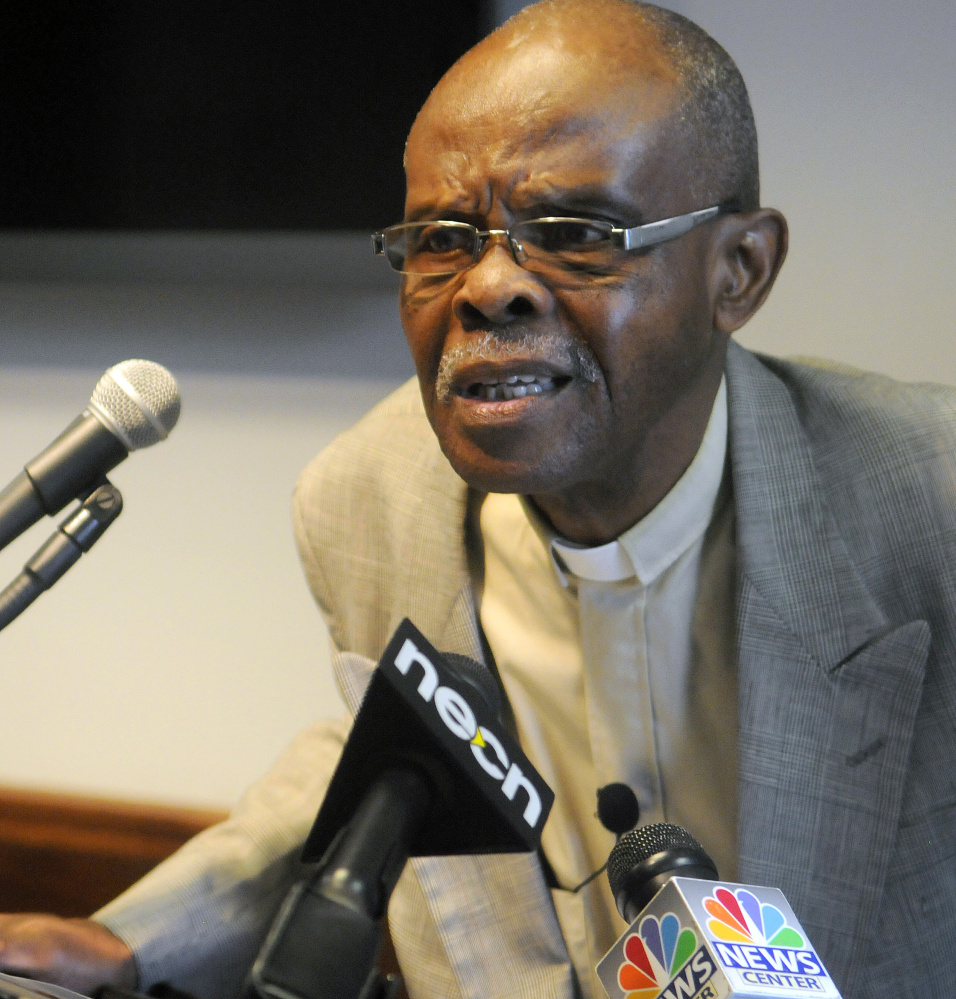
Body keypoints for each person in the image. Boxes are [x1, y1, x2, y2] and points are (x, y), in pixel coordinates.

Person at [2, 2, 955, 997]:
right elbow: (393, 751)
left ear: (738, 271)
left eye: (575, 231)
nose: (488, 285)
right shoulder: (365, 500)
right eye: (440, 237)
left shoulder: (926, 506)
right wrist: (142, 942)